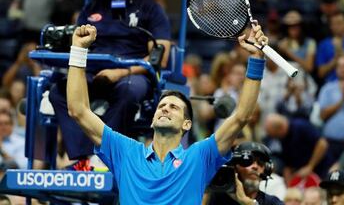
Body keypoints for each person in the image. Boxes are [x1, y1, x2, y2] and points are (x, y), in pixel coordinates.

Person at [66, 20, 267, 204]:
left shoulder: (199, 157)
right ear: (152, 121)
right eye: (161, 106)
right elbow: (79, 111)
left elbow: (242, 116)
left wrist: (256, 58)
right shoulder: (126, 152)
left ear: (186, 125)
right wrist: (78, 50)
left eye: (174, 107)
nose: (165, 108)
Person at [49, 0, 172, 169]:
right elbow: (77, 43)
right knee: (58, 92)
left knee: (129, 90)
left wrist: (120, 73)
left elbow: (160, 57)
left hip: (131, 72)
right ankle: (83, 157)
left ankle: (104, 155)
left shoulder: (150, 9)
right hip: (92, 72)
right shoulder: (92, 9)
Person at [207, 141, 284, 205]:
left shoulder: (273, 202)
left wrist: (247, 203)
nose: (255, 166)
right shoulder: (217, 198)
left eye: (260, 162)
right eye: (247, 161)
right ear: (235, 167)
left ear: (267, 170)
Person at [264, 113, 332, 183]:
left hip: (323, 169)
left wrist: (310, 166)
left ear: (280, 129)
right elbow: (288, 165)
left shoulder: (300, 126)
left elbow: (322, 144)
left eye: (275, 135)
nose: (276, 138)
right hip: (303, 174)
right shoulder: (284, 139)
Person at [318, 55, 344, 161]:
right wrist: (342, 100)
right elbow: (322, 116)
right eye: (341, 66)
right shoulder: (327, 89)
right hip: (332, 143)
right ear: (336, 70)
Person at [316, 11, 344, 82]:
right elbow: (321, 73)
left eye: (339, 23)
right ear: (330, 26)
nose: (337, 26)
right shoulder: (324, 44)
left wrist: (340, 50)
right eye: (334, 24)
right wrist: (335, 60)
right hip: (331, 84)